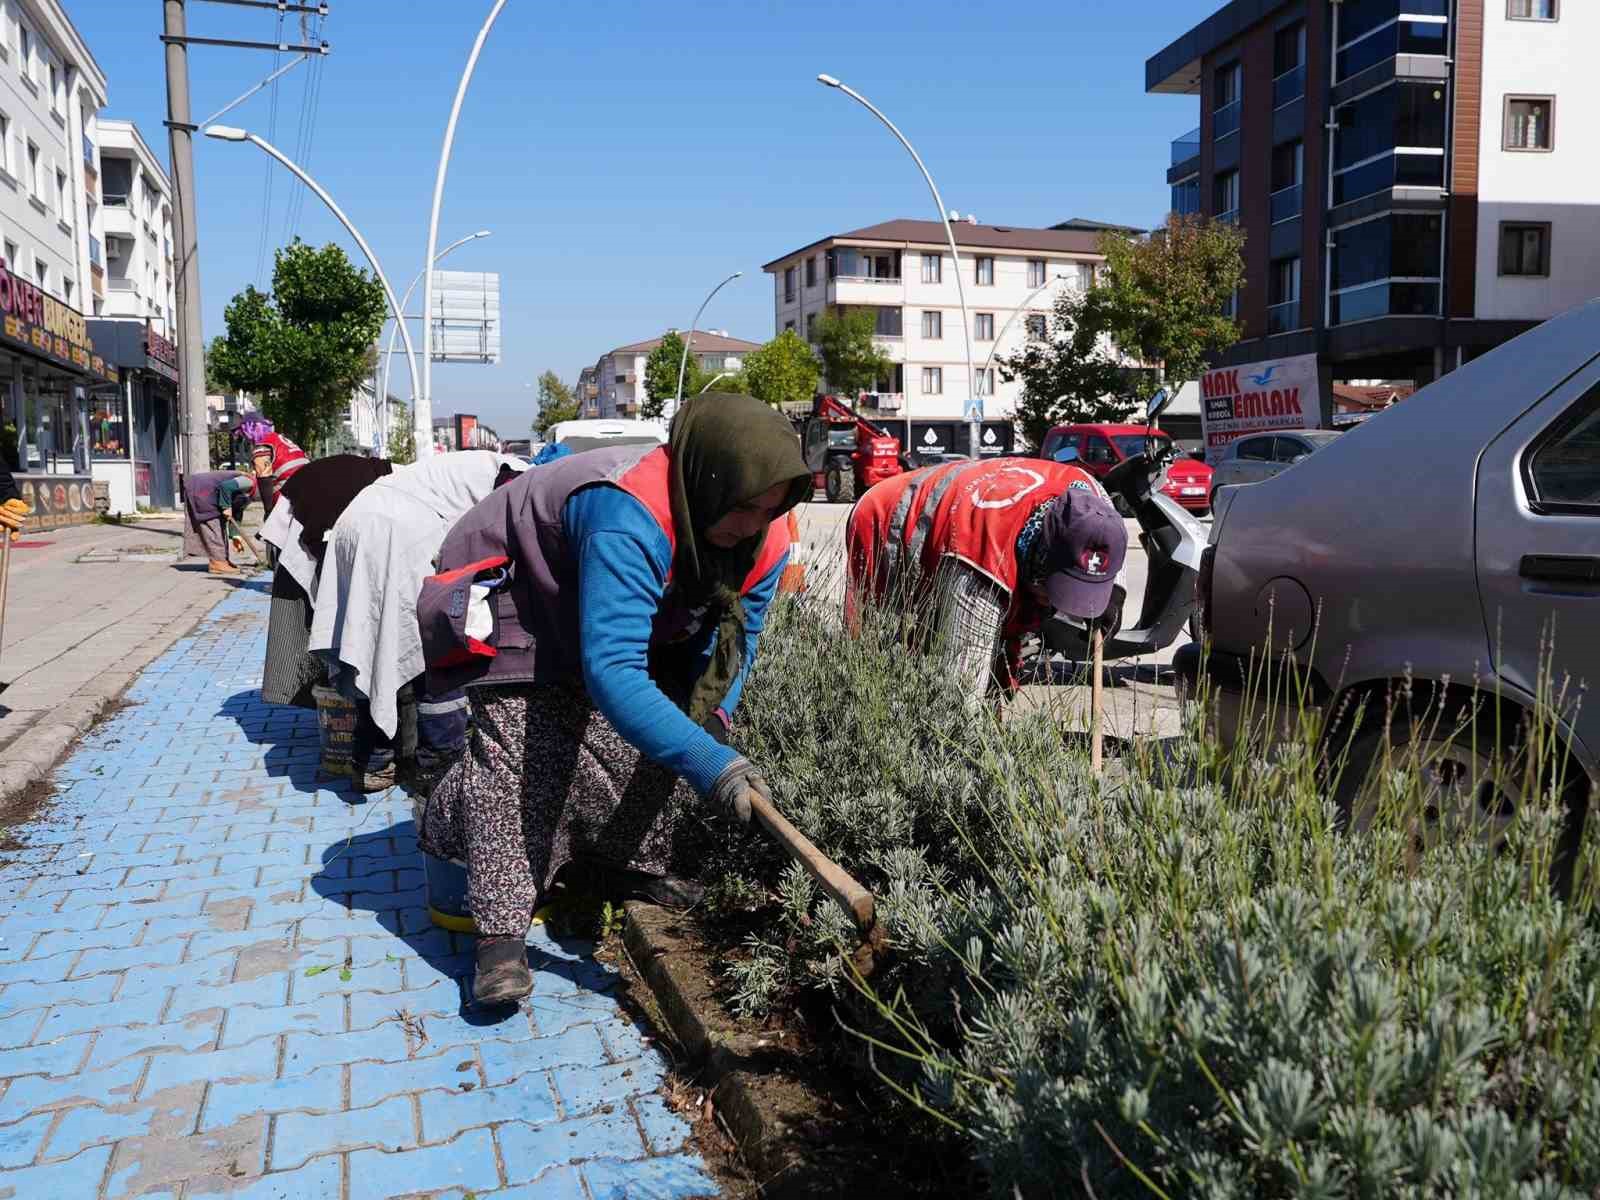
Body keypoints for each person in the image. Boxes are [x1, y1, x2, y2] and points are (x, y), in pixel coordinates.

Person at [415, 393, 810, 1006]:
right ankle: (499, 937)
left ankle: (616, 864)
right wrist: (712, 765)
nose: (751, 524)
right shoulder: (628, 511)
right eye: (741, 507)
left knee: (669, 728)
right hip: (519, 581)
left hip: (592, 584)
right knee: (522, 750)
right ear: (706, 479)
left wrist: (716, 722)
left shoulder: (768, 534)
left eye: (768, 508)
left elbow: (738, 643)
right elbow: (615, 672)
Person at [308, 449, 528, 792]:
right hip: (399, 530)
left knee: (372, 650)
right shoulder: (520, 477)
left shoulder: (470, 466)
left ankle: (373, 761)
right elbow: (510, 542)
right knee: (439, 650)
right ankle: (438, 768)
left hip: (354, 521)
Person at [845, 456, 1128, 705]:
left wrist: (1109, 598)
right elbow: (959, 693)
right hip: (886, 521)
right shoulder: (980, 558)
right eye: (1053, 590)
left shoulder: (1096, 507)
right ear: (1037, 559)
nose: (1057, 605)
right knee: (880, 667)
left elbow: (1108, 557)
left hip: (972, 518)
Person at [259, 454, 393, 711]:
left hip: (304, 523)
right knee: (320, 616)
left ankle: (336, 688)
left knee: (322, 615)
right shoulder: (377, 487)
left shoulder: (370, 484)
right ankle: (339, 693)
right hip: (307, 528)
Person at [182, 469, 259, 576]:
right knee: (213, 528)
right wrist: (226, 506)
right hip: (202, 491)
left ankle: (223, 560)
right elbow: (226, 486)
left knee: (219, 527)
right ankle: (217, 563)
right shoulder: (249, 482)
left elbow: (237, 511)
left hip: (210, 494)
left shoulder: (249, 492)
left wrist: (235, 535)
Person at [237, 412, 309, 518]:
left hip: (290, 490)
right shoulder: (278, 438)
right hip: (309, 483)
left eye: (244, 433)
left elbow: (264, 479)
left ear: (250, 429)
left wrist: (268, 510)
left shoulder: (262, 446)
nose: (244, 438)